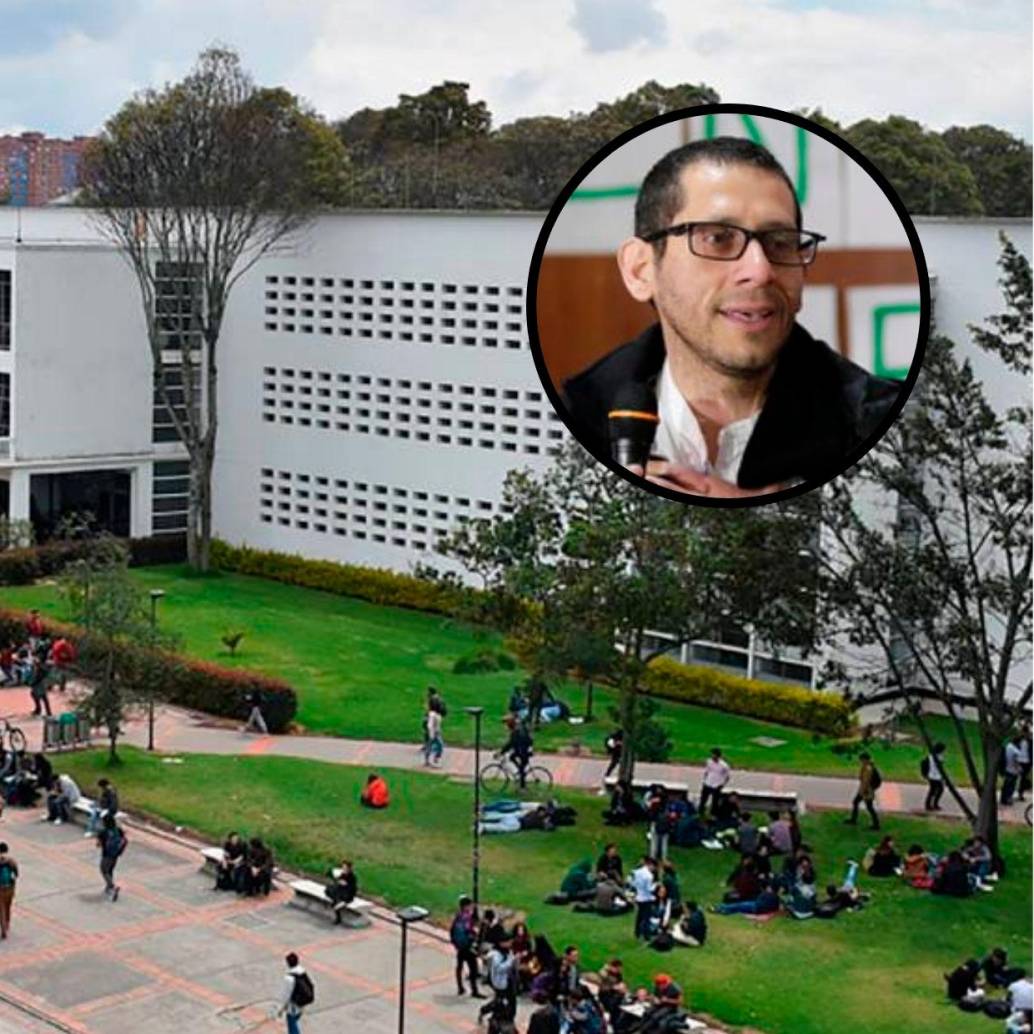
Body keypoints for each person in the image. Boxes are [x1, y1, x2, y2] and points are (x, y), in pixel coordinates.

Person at [560, 137, 900, 498]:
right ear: (642, 270)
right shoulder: (582, 412)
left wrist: (777, 513)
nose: (760, 270)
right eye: (718, 238)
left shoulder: (874, 420)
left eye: (781, 241)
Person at [449, 896, 483, 997]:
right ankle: (474, 991)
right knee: (473, 968)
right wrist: (474, 934)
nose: (471, 907)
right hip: (467, 947)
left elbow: (452, 930)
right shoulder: (467, 917)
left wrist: (455, 943)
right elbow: (469, 931)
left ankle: (460, 987)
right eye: (470, 905)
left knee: (459, 966)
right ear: (466, 906)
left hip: (460, 947)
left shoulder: (458, 916)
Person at [479, 936, 517, 1026]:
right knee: (500, 1003)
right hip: (500, 983)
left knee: (511, 1002)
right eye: (508, 942)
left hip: (509, 981)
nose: (510, 944)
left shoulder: (508, 952)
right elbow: (499, 968)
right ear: (501, 943)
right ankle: (486, 1012)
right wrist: (510, 961)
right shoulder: (496, 955)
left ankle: (509, 1019)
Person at [277, 952, 312, 1034]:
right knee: (295, 1021)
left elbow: (286, 996)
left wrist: (280, 1009)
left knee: (292, 1026)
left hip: (293, 1006)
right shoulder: (302, 972)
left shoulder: (289, 978)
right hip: (302, 1003)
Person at [96, 813, 127, 901]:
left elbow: (98, 844)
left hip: (106, 854)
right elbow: (123, 839)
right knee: (110, 870)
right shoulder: (118, 829)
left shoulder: (103, 832)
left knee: (104, 870)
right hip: (116, 854)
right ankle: (108, 887)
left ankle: (113, 887)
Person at [845, 752, 880, 830]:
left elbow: (865, 781)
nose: (860, 761)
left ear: (865, 759)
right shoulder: (867, 767)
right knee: (856, 802)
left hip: (866, 790)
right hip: (864, 790)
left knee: (869, 807)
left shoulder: (868, 768)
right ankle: (854, 819)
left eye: (861, 760)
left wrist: (864, 791)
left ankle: (876, 825)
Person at [499, 717, 533, 789]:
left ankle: (523, 787)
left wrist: (501, 752)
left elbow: (510, 744)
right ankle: (519, 773)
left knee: (522, 769)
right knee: (512, 757)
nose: (505, 727)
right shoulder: (517, 729)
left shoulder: (515, 732)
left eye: (506, 725)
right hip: (522, 750)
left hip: (524, 752)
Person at [631, 855, 657, 941]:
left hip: (639, 897)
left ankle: (637, 932)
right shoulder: (649, 876)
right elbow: (649, 889)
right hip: (646, 898)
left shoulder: (638, 872)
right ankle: (646, 935)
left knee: (639, 916)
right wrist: (656, 885)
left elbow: (634, 883)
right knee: (646, 917)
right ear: (651, 865)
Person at [699, 748, 730, 816]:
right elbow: (707, 771)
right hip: (708, 783)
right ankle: (700, 813)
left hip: (717, 785)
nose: (712, 756)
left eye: (713, 754)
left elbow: (727, 777)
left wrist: (722, 785)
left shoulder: (724, 765)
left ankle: (713, 815)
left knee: (715, 802)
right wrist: (704, 780)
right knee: (703, 800)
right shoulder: (709, 761)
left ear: (717, 755)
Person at [325, 859, 357, 925]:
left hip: (347, 895)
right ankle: (338, 916)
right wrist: (333, 872)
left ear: (349, 868)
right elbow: (329, 874)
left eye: (345, 868)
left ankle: (338, 918)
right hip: (339, 892)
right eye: (343, 867)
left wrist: (346, 884)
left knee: (336, 904)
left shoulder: (352, 876)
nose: (343, 869)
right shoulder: (341, 873)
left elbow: (353, 889)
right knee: (329, 891)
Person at [0, 842, 18, 939]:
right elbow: (16, 874)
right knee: (8, 906)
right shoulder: (11, 861)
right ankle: (7, 924)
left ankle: (3, 930)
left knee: (1, 909)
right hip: (10, 888)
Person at [922, 742, 947, 811]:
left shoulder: (932, 756)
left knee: (935, 790)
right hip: (934, 776)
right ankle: (931, 805)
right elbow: (940, 767)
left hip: (934, 776)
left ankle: (931, 804)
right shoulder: (937, 757)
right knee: (936, 790)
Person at [1002, 734, 1024, 806]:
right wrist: (1020, 769)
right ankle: (1008, 799)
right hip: (1013, 771)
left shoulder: (1008, 746)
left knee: (1006, 785)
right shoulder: (1016, 751)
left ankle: (1003, 798)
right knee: (1011, 786)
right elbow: (1016, 762)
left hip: (1007, 768)